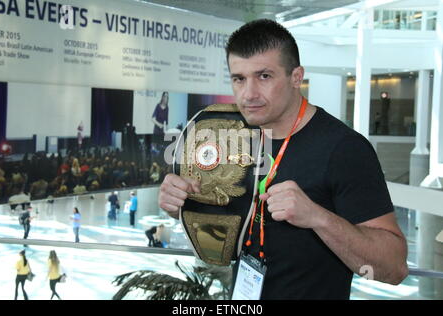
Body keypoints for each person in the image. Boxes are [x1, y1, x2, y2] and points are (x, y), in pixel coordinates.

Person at [158, 19, 408, 299]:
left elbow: (394, 268)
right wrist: (179, 203)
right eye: (239, 78)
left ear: (296, 77)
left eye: (264, 76)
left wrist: (317, 217)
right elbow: (224, 220)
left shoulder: (344, 149)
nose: (249, 94)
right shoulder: (234, 135)